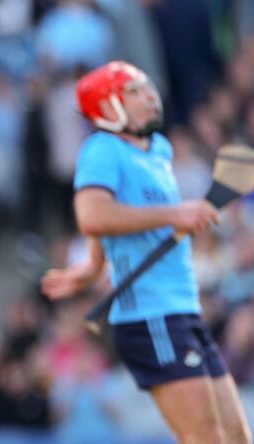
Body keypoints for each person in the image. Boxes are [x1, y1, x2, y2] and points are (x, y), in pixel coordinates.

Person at [40, 61, 251, 444]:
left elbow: (114, 214)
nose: (150, 95)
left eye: (147, 86)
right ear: (108, 108)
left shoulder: (157, 151)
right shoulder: (101, 149)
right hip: (151, 315)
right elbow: (93, 214)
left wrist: (92, 265)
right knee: (206, 438)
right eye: (135, 91)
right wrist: (176, 213)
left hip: (182, 309)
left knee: (237, 436)